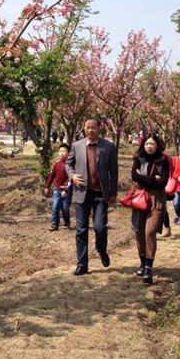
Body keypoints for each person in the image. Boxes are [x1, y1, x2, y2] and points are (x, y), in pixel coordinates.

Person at [65, 117, 118, 276]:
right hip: (82, 194)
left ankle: (101, 249)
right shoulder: (77, 145)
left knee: (100, 228)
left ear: (99, 128)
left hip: (100, 194)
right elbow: (68, 164)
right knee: (81, 230)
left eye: (93, 127)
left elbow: (113, 171)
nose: (90, 130)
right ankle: (82, 264)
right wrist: (72, 176)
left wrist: (113, 192)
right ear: (84, 129)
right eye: (87, 127)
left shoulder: (108, 146)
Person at [131, 134, 170, 284]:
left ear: (157, 145)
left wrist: (145, 178)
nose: (149, 146)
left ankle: (148, 267)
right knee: (139, 232)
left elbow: (164, 182)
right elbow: (134, 175)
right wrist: (153, 179)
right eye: (147, 144)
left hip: (156, 200)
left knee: (150, 232)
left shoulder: (163, 160)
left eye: (152, 144)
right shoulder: (138, 158)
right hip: (139, 199)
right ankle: (142, 261)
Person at [44, 143, 72, 231]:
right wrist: (47, 187)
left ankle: (66, 223)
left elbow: (70, 179)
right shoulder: (56, 164)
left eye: (64, 151)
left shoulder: (71, 165)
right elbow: (52, 176)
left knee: (65, 208)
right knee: (55, 207)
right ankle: (54, 224)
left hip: (66, 191)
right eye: (60, 151)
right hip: (56, 189)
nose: (62, 153)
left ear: (68, 153)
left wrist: (65, 190)